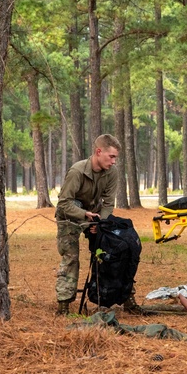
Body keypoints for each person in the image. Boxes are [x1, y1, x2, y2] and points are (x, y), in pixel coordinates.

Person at [55, 134, 121, 315]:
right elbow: (64, 204)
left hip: (94, 215)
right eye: (111, 156)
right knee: (71, 257)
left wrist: (101, 225)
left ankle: (121, 296)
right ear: (99, 152)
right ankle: (64, 304)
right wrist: (85, 216)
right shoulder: (77, 171)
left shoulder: (111, 173)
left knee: (114, 249)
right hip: (70, 215)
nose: (114, 162)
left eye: (116, 157)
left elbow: (108, 204)